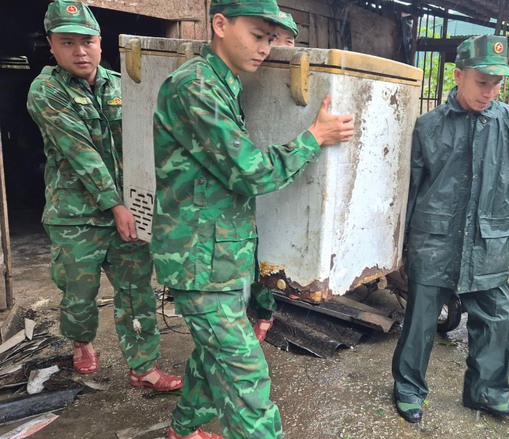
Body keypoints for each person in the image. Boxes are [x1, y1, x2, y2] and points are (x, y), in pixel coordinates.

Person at [151, 0, 354, 437]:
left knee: (213, 355)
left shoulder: (223, 83)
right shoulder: (195, 86)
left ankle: (184, 430)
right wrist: (314, 137)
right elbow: (251, 173)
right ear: (220, 24)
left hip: (219, 256)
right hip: (198, 261)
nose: (265, 47)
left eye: (271, 38)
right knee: (245, 377)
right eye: (257, 35)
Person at [391, 35, 509, 424]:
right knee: (420, 318)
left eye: (497, 83)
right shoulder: (429, 126)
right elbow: (409, 189)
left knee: (496, 316)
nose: (490, 92)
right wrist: (397, 245)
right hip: (434, 238)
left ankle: (487, 392)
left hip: (488, 239)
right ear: (459, 76)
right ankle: (409, 389)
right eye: (482, 82)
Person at [26, 0, 182, 392]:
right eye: (67, 42)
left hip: (129, 208)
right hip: (76, 215)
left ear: (100, 42)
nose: (80, 51)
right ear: (51, 45)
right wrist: (116, 205)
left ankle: (143, 366)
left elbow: (150, 140)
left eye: (87, 41)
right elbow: (81, 153)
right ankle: (81, 341)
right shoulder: (46, 91)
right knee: (79, 294)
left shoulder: (123, 83)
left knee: (136, 291)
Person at [249, 9, 299, 343]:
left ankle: (268, 308)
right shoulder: (244, 75)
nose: (278, 46)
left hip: (283, 176)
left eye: (287, 40)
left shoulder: (301, 78)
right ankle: (260, 309)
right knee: (252, 254)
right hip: (250, 175)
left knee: (273, 248)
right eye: (271, 38)